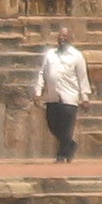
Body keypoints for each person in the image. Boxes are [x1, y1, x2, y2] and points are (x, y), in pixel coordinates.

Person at [34, 25, 90, 162]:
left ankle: (62, 154)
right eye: (60, 36)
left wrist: (85, 97)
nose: (62, 39)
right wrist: (38, 90)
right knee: (52, 124)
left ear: (71, 38)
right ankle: (70, 145)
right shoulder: (50, 54)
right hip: (52, 95)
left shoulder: (77, 56)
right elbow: (42, 72)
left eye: (65, 36)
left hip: (69, 96)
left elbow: (82, 77)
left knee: (66, 127)